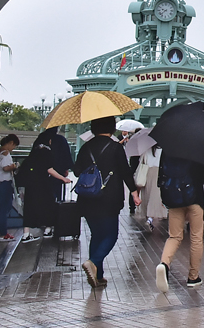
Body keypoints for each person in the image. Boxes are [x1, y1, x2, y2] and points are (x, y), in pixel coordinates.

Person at [73, 116, 140, 288]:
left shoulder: (85, 147)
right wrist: (134, 192)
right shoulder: (115, 148)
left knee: (96, 235)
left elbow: (76, 171)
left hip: (87, 198)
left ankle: (99, 275)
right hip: (109, 198)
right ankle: (93, 262)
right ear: (112, 128)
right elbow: (126, 172)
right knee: (110, 235)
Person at [155, 155, 204, 291]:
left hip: (174, 197)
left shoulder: (169, 148)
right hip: (195, 197)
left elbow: (161, 175)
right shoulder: (201, 148)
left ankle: (164, 264)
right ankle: (193, 277)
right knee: (196, 237)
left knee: (174, 236)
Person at [21, 127, 72, 242]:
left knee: (29, 207)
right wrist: (63, 178)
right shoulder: (47, 151)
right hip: (44, 183)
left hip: (30, 183)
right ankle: (48, 229)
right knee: (50, 204)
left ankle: (26, 233)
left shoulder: (35, 150)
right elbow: (50, 169)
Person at [140, 146, 167, 231]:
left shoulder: (146, 150)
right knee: (156, 198)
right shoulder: (164, 150)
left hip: (147, 173)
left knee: (148, 197)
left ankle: (149, 218)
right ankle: (150, 219)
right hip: (159, 173)